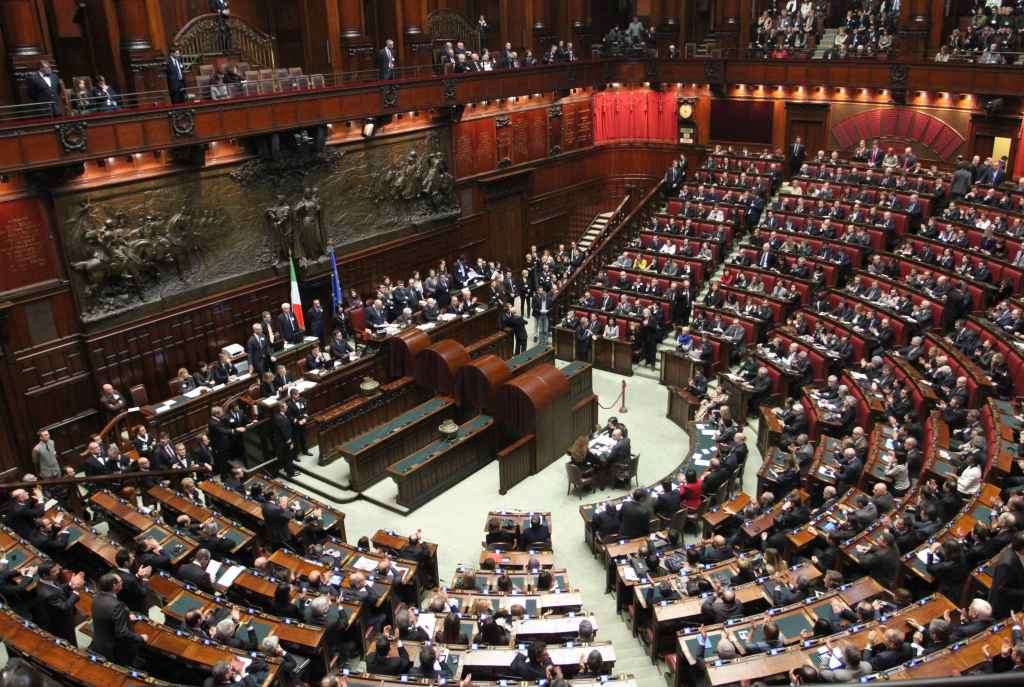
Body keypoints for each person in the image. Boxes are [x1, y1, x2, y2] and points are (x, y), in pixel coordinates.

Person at [91, 572, 148, 667]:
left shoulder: (96, 597)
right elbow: (122, 633)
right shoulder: (117, 605)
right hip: (114, 649)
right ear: (114, 585)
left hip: (98, 643)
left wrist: (125, 616)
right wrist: (141, 638)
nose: (122, 583)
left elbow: (106, 616)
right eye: (121, 581)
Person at [34, 560, 85, 642]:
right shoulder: (47, 593)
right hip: (61, 624)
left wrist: (71, 584)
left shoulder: (45, 581)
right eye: (54, 571)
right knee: (70, 642)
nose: (58, 572)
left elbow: (58, 589)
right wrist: (76, 590)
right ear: (45, 575)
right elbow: (65, 607)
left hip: (64, 619)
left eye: (57, 569)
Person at [271, 402, 296, 477]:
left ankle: (286, 469)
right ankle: (290, 473)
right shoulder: (280, 418)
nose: (287, 407)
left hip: (280, 441)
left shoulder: (277, 415)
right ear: (281, 408)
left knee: (285, 456)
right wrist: (290, 442)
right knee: (289, 456)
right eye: (285, 406)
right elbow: (284, 432)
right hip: (284, 441)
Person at [286, 388, 311, 456]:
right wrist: (298, 422)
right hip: (295, 426)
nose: (298, 395)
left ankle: (305, 451)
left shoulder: (302, 400)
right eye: (296, 394)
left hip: (303, 422)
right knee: (296, 440)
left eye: (298, 394)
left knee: (304, 438)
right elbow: (290, 416)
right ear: (292, 396)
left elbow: (305, 410)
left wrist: (305, 419)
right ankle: (296, 455)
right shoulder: (289, 404)